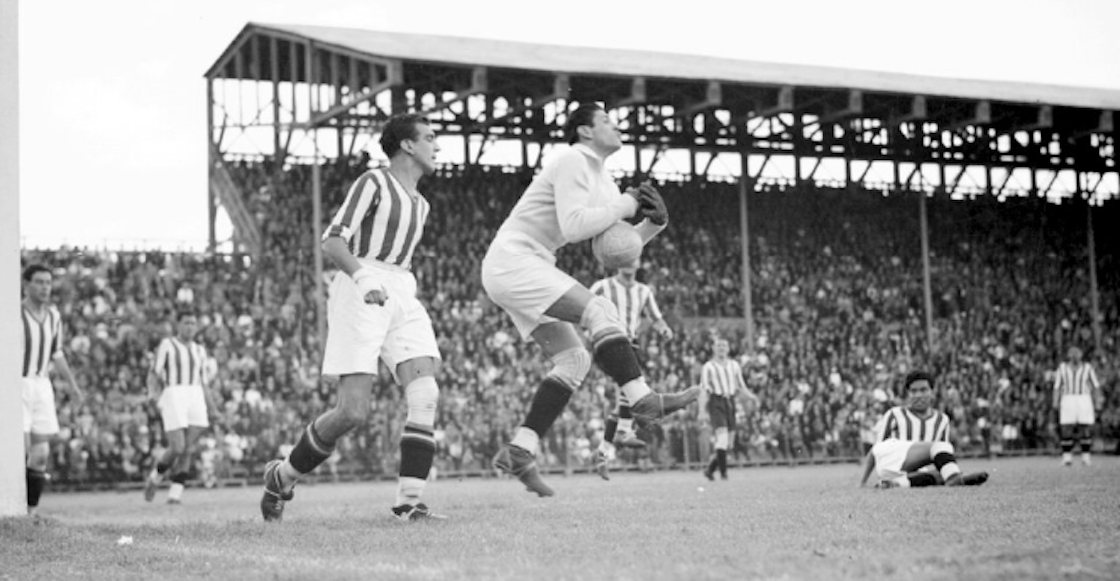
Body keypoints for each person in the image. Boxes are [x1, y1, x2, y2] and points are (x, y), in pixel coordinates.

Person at [481, 103, 700, 497]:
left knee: (574, 359)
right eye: (606, 121)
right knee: (600, 309)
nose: (616, 126)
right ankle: (642, 399)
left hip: (526, 262)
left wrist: (652, 225)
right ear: (584, 131)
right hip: (514, 259)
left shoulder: (606, 182)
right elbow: (574, 225)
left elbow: (615, 251)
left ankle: (520, 450)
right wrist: (629, 205)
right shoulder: (570, 159)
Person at [259, 113, 447, 522]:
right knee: (352, 413)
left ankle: (409, 503)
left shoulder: (423, 203)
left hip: (401, 287)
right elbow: (332, 240)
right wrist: (363, 279)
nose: (437, 145)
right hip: (360, 283)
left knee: (425, 391)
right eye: (430, 138)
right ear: (407, 145)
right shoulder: (373, 182)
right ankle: (282, 475)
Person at [589, 257, 675, 480]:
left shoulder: (644, 291)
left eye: (633, 258)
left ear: (639, 263)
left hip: (631, 346)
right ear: (616, 260)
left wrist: (664, 329)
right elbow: (582, 307)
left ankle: (603, 453)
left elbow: (656, 318)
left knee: (625, 400)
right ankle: (625, 432)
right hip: (609, 343)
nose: (629, 262)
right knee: (633, 395)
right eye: (624, 257)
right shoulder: (602, 286)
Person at [19, 264, 84, 515]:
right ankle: (10, 510)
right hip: (17, 385)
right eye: (39, 282)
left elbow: (57, 354)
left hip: (42, 385)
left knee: (40, 453)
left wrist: (74, 387)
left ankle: (29, 513)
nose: (45, 287)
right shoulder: (13, 313)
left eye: (48, 282)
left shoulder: (54, 316)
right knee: (19, 452)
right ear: (26, 284)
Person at [859, 371, 988, 489]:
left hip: (912, 471)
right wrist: (862, 482)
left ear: (932, 391)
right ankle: (955, 477)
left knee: (936, 472)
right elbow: (877, 449)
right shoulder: (895, 414)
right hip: (892, 461)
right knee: (941, 447)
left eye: (923, 390)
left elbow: (943, 458)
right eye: (913, 391)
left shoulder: (942, 419)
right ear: (908, 394)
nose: (918, 395)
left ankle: (896, 484)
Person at [143, 310, 216, 504]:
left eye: (193, 322)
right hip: (173, 393)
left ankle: (175, 495)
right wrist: (152, 394)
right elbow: (154, 373)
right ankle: (154, 478)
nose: (190, 326)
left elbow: (204, 383)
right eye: (186, 322)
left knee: (188, 449)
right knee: (178, 447)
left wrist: (213, 408)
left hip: (195, 395)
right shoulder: (167, 345)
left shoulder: (200, 350)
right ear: (178, 325)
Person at [698, 338, 757, 481]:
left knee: (728, 443)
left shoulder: (734, 365)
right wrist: (702, 411)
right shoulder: (708, 367)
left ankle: (710, 469)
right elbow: (704, 390)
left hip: (730, 402)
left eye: (724, 345)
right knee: (722, 438)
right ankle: (724, 474)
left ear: (729, 348)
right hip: (716, 401)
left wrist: (752, 397)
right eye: (718, 345)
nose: (721, 348)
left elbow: (741, 386)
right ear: (713, 348)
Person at [1053, 346, 1101, 466]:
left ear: (1081, 355)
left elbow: (1096, 385)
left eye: (1077, 353)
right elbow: (1057, 387)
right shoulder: (1062, 368)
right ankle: (1067, 457)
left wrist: (1098, 401)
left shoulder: (1087, 367)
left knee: (1085, 427)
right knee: (1066, 427)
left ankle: (1086, 456)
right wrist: (1055, 401)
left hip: (1083, 398)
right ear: (1069, 355)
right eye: (1072, 353)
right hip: (1068, 398)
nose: (1074, 356)